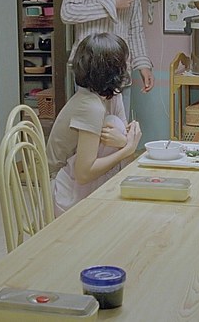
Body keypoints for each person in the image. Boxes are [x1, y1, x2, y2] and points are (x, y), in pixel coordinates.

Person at [48, 33, 142, 215]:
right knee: (114, 124)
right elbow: (83, 173)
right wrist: (127, 148)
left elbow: (125, 145)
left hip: (75, 181)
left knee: (116, 125)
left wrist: (124, 142)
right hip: (62, 189)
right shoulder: (90, 106)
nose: (128, 66)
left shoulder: (111, 95)